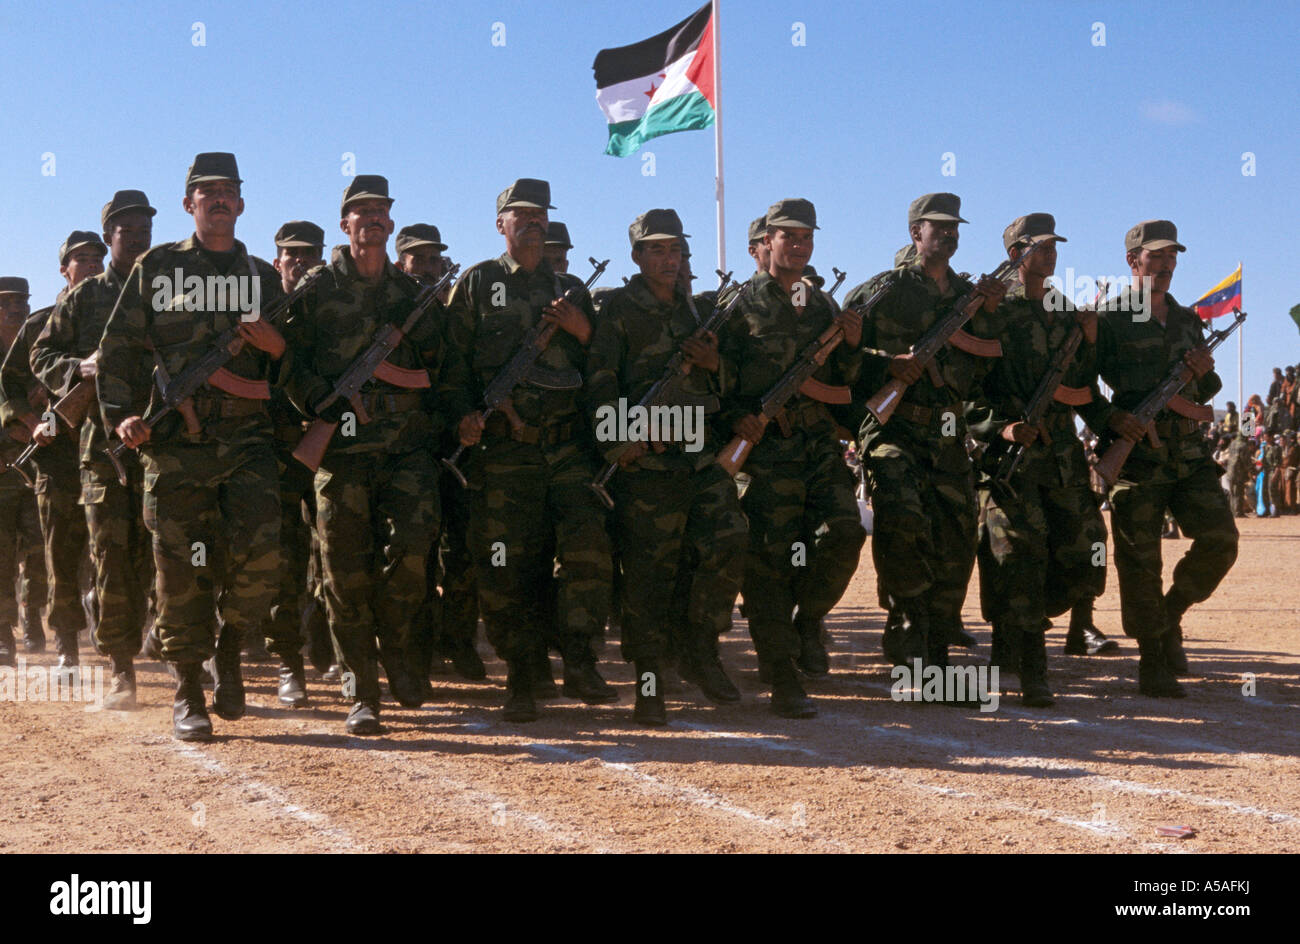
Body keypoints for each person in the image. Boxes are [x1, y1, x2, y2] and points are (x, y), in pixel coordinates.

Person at [98, 152, 287, 740]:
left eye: (229, 190)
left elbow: (296, 363)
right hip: (177, 445)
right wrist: (124, 416)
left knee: (260, 559)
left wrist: (275, 346)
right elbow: (120, 349)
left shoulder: (261, 276)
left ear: (242, 201)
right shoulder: (159, 267)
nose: (220, 200)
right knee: (181, 569)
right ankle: (187, 690)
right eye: (208, 192)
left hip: (249, 440)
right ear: (190, 204)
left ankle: (229, 648)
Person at [282, 176, 469, 735]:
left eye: (381, 211)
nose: (372, 220)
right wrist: (325, 400)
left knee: (413, 555)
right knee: (343, 573)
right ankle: (360, 686)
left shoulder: (412, 295)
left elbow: (444, 365)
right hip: (340, 453)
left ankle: (401, 653)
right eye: (360, 212)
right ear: (345, 224)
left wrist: (446, 419)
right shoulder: (316, 289)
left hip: (406, 452)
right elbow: (286, 358)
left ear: (391, 222)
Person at [445, 178, 616, 722]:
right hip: (504, 454)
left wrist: (582, 330)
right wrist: (463, 418)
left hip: (568, 452)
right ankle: (521, 672)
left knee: (588, 554)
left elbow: (607, 370)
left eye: (540, 214)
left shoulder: (572, 292)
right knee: (508, 566)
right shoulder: (478, 283)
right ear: (501, 224)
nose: (533, 222)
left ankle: (581, 660)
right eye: (521, 215)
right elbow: (452, 365)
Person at [585, 209, 747, 724]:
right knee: (649, 576)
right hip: (648, 466)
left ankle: (700, 647)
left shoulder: (694, 313)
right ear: (637, 255)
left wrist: (712, 363)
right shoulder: (618, 310)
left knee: (726, 542)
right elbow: (600, 381)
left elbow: (724, 387)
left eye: (675, 250)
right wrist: (617, 445)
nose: (668, 258)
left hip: (697, 459)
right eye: (656, 249)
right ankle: (649, 682)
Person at [845, 193, 1005, 688]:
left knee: (956, 537)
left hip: (948, 432)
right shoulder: (882, 291)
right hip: (895, 428)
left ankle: (935, 647)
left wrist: (991, 313)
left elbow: (990, 363)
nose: (950, 235)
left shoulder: (969, 296)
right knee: (904, 519)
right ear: (916, 233)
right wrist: (886, 365)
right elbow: (840, 356)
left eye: (956, 228)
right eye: (940, 228)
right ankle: (906, 629)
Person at [1077, 220, 1238, 697]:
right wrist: (1112, 421)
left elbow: (1205, 389)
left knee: (1221, 541)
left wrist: (1203, 373)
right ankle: (1152, 658)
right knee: (1140, 559)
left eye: (1172, 257)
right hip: (1139, 459)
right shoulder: (1109, 320)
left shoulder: (1189, 320)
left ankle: (1170, 616)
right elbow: (1081, 386)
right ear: (1134, 261)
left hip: (1189, 454)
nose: (1167, 265)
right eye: (1157, 257)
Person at [720, 198, 866, 717]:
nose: (800, 245)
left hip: (818, 447)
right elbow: (718, 377)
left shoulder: (823, 304)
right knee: (770, 564)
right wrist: (739, 417)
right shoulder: (739, 305)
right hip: (767, 454)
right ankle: (781, 674)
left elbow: (842, 384)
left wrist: (850, 346)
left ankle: (809, 620)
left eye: (807, 237)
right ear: (767, 242)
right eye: (789, 236)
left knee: (846, 531)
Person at [965, 214, 1109, 706]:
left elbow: (1082, 384)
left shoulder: (1063, 310)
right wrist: (999, 427)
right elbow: (964, 387)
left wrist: (1089, 341)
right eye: (1039, 247)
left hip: (1061, 456)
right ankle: (1032, 669)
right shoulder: (991, 311)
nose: (1049, 255)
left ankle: (1017, 634)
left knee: (1086, 548)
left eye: (1053, 247)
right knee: (1019, 559)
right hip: (1009, 459)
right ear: (1015, 254)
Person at [30, 194, 158, 708]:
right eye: (127, 230)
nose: (138, 236)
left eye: (145, 227)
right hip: (101, 449)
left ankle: (159, 638)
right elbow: (42, 352)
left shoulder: (168, 289)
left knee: (156, 555)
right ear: (110, 239)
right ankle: (122, 668)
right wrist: (78, 369)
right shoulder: (84, 298)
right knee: (110, 555)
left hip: (160, 443)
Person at [0, 232, 104, 672]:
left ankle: (116, 625)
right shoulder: (40, 323)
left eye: (97, 258)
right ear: (64, 268)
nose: (92, 265)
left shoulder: (121, 320)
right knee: (58, 552)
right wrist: (30, 423)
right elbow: (8, 385)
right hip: (56, 458)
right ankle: (63, 642)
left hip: (106, 452)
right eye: (82, 259)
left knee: (114, 548)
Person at [394, 223, 486, 686]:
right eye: (419, 259)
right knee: (417, 549)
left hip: (458, 444)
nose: (429, 267)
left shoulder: (454, 308)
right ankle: (419, 644)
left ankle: (460, 639)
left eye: (435, 260)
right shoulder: (392, 307)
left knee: (463, 547)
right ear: (401, 264)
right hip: (409, 446)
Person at [261, 220, 328, 705]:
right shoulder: (260, 311)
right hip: (275, 454)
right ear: (278, 257)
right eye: (292, 254)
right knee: (284, 559)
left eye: (310, 253)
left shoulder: (332, 310)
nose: (301, 261)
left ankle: (332, 651)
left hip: (331, 448)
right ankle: (289, 662)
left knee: (337, 557)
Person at [0, 277, 47, 666]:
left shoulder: (40, 348)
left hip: (36, 464)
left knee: (38, 551)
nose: (15, 309)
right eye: (6, 303)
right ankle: (3, 632)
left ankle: (33, 618)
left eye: (21, 302)